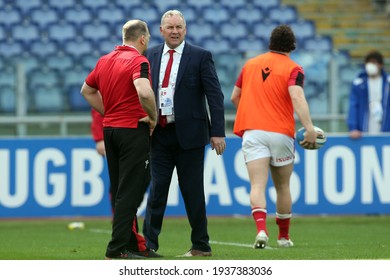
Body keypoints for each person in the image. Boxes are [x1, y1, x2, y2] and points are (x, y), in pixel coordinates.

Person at [142, 10, 226, 257]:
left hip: (190, 135)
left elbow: (215, 96)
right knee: (157, 190)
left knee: (192, 192)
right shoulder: (150, 55)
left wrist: (218, 132)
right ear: (161, 31)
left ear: (186, 29)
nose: (175, 31)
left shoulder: (201, 56)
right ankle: (148, 245)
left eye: (179, 27)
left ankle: (201, 245)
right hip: (159, 134)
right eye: (170, 27)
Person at [231, 24, 320, 249]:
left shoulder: (250, 65)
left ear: (270, 43)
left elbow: (234, 97)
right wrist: (309, 127)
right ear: (292, 46)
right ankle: (283, 237)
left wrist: (252, 111)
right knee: (282, 187)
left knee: (257, 185)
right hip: (280, 132)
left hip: (253, 131)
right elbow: (297, 96)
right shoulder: (293, 68)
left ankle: (261, 230)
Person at [81, 19, 158, 260]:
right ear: (143, 39)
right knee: (130, 192)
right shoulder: (138, 60)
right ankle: (116, 250)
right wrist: (152, 117)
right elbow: (144, 90)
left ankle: (134, 245)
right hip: (132, 131)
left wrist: (109, 112)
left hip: (111, 130)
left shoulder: (104, 60)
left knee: (121, 190)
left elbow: (86, 90)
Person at [90, 108, 160, 258]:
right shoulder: (135, 83)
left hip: (133, 131)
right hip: (128, 131)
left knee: (132, 187)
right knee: (126, 190)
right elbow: (96, 97)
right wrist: (98, 137)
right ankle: (125, 242)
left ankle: (130, 237)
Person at [347, 50, 390, 139]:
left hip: (385, 125)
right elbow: (354, 106)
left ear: (380, 65)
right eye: (368, 62)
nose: (370, 65)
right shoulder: (359, 83)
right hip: (365, 125)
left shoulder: (388, 82)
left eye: (374, 62)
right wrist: (353, 128)